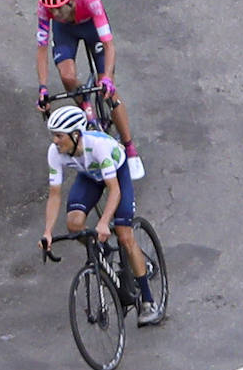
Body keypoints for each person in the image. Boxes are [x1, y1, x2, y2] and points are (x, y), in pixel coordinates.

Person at [41, 106, 161, 325]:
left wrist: (105, 222)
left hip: (117, 172)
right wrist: (47, 232)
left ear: (75, 135)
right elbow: (54, 196)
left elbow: (114, 190)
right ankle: (103, 251)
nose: (55, 141)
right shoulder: (54, 153)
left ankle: (148, 301)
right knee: (74, 224)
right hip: (89, 176)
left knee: (124, 235)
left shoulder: (98, 146)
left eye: (59, 135)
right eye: (53, 135)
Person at [35, 0, 145, 179]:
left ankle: (130, 148)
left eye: (58, 10)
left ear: (70, 1)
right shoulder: (47, 7)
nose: (54, 15)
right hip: (65, 32)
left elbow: (108, 45)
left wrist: (107, 79)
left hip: (91, 28)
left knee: (108, 91)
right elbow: (41, 49)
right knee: (67, 75)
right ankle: (87, 109)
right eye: (51, 10)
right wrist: (43, 88)